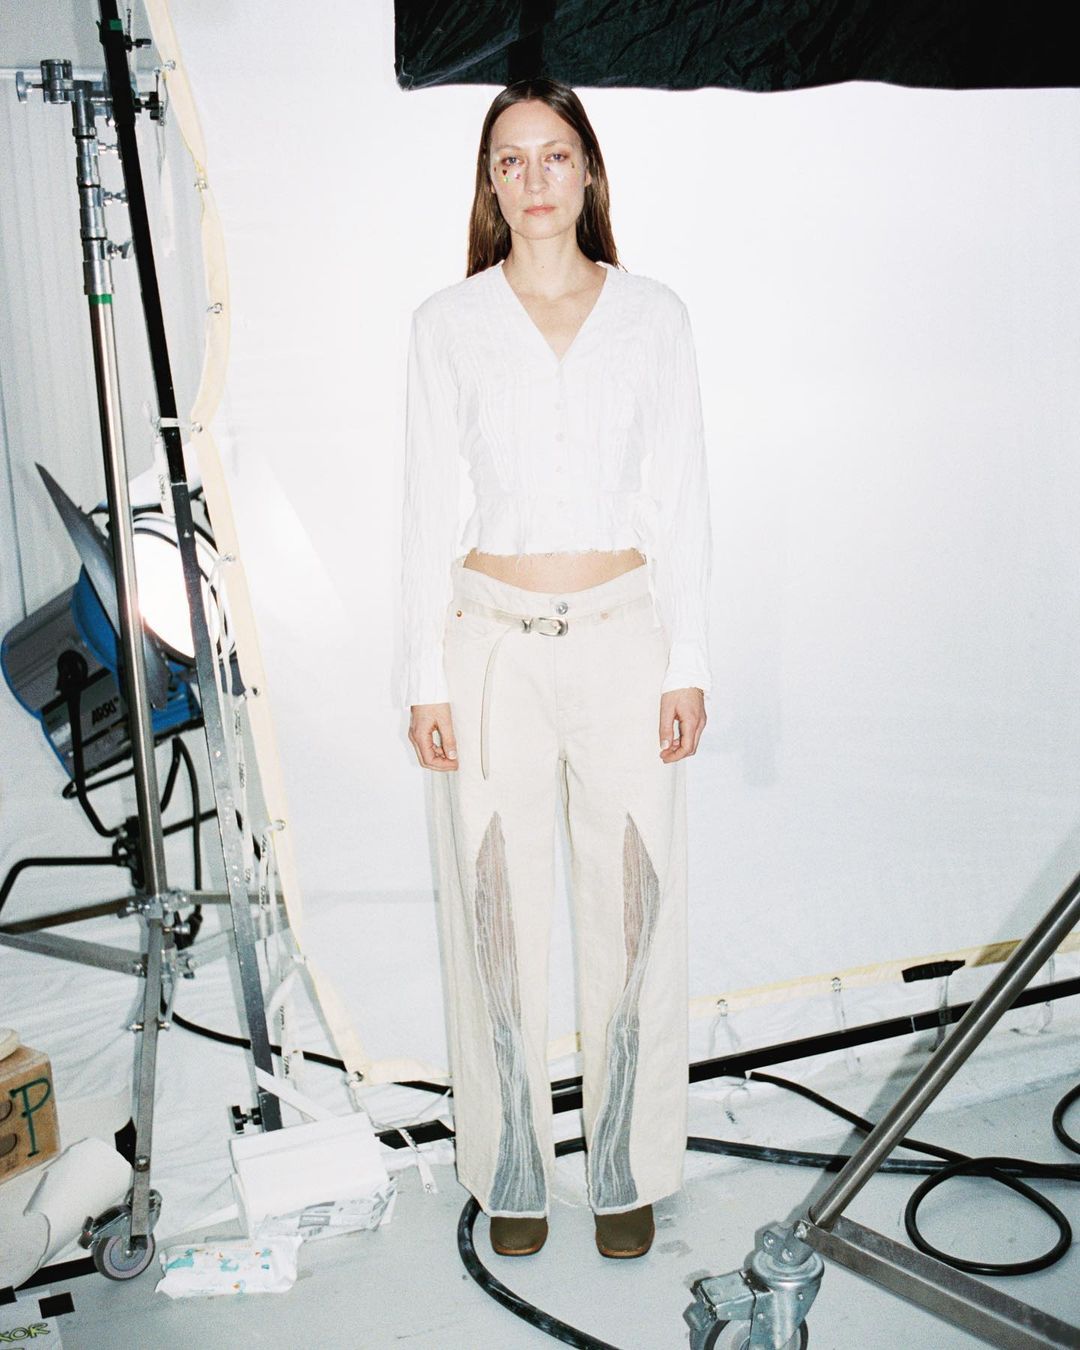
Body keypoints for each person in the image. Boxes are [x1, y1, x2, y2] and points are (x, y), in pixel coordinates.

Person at [399, 77, 712, 1261]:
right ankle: (515, 1170)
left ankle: (625, 1163)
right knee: (497, 916)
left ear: (589, 170)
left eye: (554, 155)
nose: (534, 180)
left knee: (634, 909)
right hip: (491, 649)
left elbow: (683, 498)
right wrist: (423, 677)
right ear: (490, 185)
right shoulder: (449, 323)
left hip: (625, 639)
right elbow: (426, 508)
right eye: (510, 161)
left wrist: (688, 659)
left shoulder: (653, 316)